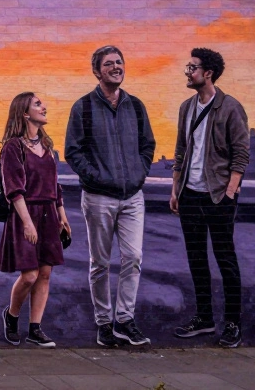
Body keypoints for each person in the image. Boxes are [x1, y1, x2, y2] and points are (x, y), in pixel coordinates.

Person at [64, 45, 155, 347]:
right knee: (100, 263)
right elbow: (72, 152)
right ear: (97, 71)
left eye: (119, 62)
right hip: (98, 198)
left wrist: (139, 174)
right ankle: (104, 324)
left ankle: (125, 319)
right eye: (108, 64)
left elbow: (147, 146)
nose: (116, 67)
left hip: (133, 197)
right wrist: (98, 178)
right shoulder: (84, 107)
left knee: (133, 257)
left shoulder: (136, 106)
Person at [170, 48, 249, 348]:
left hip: (218, 196)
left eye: (192, 67)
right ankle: (204, 318)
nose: (188, 72)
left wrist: (230, 191)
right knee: (196, 259)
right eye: (187, 66)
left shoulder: (230, 107)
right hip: (190, 194)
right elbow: (180, 151)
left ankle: (232, 323)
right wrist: (175, 188)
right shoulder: (186, 108)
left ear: (208, 73)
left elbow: (241, 152)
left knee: (225, 259)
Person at [0, 92, 70, 347]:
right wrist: (27, 222)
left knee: (45, 274)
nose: (44, 107)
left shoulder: (48, 147)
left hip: (50, 213)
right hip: (25, 214)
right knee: (29, 275)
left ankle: (36, 329)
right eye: (38, 104)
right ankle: (12, 315)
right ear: (25, 113)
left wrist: (62, 215)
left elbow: (55, 185)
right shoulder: (12, 147)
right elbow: (13, 189)